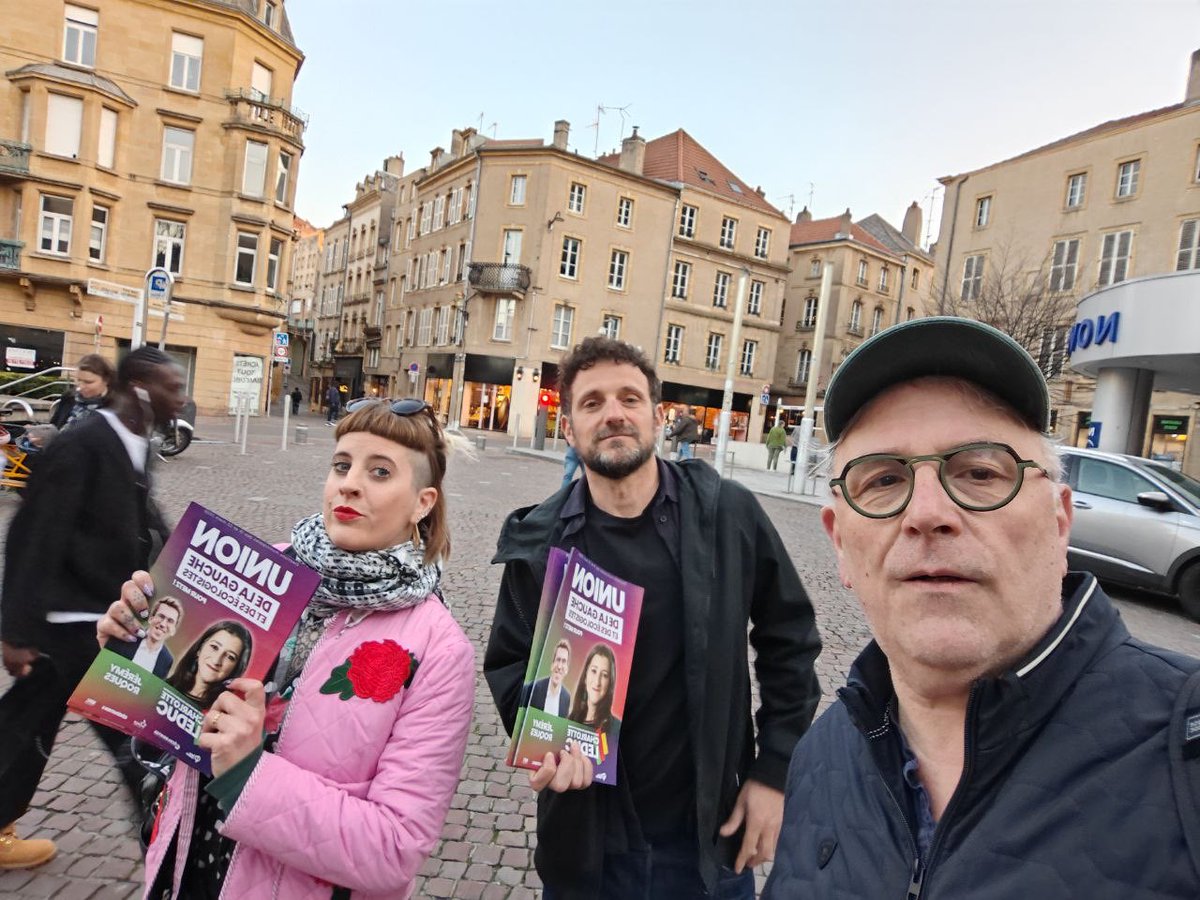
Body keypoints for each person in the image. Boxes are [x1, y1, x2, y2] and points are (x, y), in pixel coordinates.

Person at [764, 317, 1200, 898]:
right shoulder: (821, 759)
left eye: (979, 472)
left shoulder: (1185, 750)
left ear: (1060, 521)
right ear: (839, 542)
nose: (925, 512)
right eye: (884, 480)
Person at [486, 336, 822, 899]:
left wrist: (774, 772)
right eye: (591, 403)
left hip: (707, 841)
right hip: (588, 843)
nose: (613, 413)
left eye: (629, 398)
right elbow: (510, 665)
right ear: (568, 428)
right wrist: (546, 745)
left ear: (656, 416)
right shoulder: (540, 541)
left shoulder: (725, 513)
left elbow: (789, 639)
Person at [98, 396, 475, 898]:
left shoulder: (439, 648)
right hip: (187, 865)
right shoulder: (260, 572)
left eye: (380, 472)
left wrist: (246, 774)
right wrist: (130, 650)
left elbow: (395, 848)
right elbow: (161, 723)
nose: (350, 483)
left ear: (422, 502)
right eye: (342, 465)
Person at [0, 346, 186, 869]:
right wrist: (15, 630)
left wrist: (183, 567)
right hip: (70, 625)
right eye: (174, 387)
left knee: (25, 725)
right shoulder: (81, 444)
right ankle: (171, 851)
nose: (183, 398)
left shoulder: (137, 445)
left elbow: (144, 524)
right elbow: (33, 534)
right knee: (138, 739)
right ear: (143, 390)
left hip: (104, 618)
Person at [165, 621, 253, 708]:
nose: (216, 661)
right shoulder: (162, 685)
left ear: (236, 668)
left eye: (230, 657)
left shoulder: (222, 714)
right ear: (199, 648)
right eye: (214, 647)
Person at [106, 596, 183, 679]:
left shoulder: (167, 660)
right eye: (161, 616)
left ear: (173, 631)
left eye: (170, 621)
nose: (163, 624)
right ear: (150, 619)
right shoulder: (126, 637)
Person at [566, 643, 620, 743]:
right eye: (594, 671)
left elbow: (603, 757)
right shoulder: (569, 720)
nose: (597, 681)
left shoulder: (616, 729)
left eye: (604, 675)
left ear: (610, 683)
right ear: (585, 676)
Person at [49, 353, 115, 432]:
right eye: (78, 380)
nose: (81, 387)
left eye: (88, 382)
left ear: (106, 380)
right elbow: (54, 426)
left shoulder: (115, 408)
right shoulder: (69, 397)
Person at [525, 639, 572, 717]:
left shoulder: (566, 697)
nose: (559, 666)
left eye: (564, 661)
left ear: (567, 669)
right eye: (558, 660)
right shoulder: (535, 688)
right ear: (552, 664)